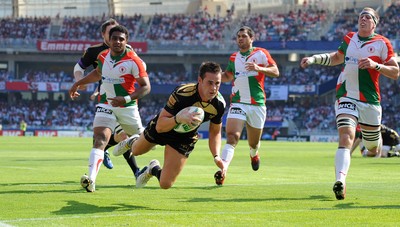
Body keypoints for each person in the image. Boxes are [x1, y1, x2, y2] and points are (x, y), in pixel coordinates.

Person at [300, 7, 399, 200]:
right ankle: (340, 181)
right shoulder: (349, 38)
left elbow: (395, 72)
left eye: (367, 16)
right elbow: (336, 58)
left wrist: (375, 65)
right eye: (361, 16)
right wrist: (313, 59)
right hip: (346, 95)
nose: (363, 18)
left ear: (374, 23)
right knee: (346, 136)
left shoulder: (382, 43)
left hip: (370, 101)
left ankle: (374, 142)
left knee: (372, 149)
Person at [113, 61, 226, 189]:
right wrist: (178, 119)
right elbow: (160, 126)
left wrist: (216, 156)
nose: (214, 88)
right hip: (166, 125)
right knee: (135, 151)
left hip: (185, 136)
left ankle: (152, 169)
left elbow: (215, 131)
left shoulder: (219, 105)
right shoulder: (182, 93)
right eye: (210, 83)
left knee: (165, 184)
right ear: (200, 80)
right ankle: (132, 141)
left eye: (217, 83)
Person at [69, 25, 151, 192]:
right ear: (109, 40)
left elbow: (146, 87)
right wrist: (78, 83)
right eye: (115, 38)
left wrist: (126, 98)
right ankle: (91, 180)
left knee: (144, 145)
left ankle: (135, 152)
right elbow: (98, 73)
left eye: (121, 39)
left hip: (128, 107)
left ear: (126, 41)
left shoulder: (133, 60)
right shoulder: (102, 56)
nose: (118, 42)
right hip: (105, 103)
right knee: (99, 138)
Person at [216, 26, 280, 185]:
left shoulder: (261, 53)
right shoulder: (233, 57)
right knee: (232, 137)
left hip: (257, 104)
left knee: (253, 142)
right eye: (238, 36)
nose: (240, 39)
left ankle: (254, 154)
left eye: (244, 36)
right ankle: (223, 170)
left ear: (252, 38)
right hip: (238, 102)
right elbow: (228, 75)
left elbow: (276, 71)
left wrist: (258, 68)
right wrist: (215, 77)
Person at [73, 18, 136, 172]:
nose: (115, 37)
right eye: (111, 34)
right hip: (106, 99)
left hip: (124, 100)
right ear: (103, 34)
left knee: (125, 137)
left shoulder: (128, 49)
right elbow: (79, 67)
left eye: (118, 34)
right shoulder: (94, 51)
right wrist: (79, 81)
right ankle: (136, 171)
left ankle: (105, 148)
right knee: (122, 137)